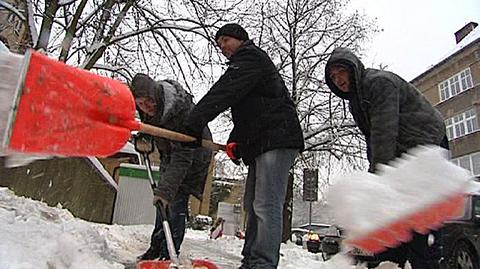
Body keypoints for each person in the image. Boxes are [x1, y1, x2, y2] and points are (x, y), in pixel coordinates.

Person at [183, 23, 304, 269]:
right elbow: (250, 111)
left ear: (240, 39)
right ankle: (251, 260)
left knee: (266, 204)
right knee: (252, 203)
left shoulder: (251, 58)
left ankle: (263, 263)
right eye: (219, 44)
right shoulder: (248, 67)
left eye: (225, 40)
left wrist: (194, 121)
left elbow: (225, 92)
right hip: (263, 141)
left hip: (277, 139)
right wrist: (235, 142)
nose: (222, 47)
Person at [325, 47, 448, 269]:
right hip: (403, 151)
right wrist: (375, 179)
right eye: (333, 77)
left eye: (340, 72)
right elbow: (373, 140)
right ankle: (392, 261)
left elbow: (384, 131)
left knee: (422, 215)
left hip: (426, 142)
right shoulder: (356, 100)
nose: (337, 80)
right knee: (394, 216)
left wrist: (376, 181)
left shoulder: (378, 83)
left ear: (353, 68)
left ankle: (425, 260)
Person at [130, 73, 213, 261]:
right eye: (141, 104)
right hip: (170, 154)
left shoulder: (181, 112)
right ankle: (156, 247)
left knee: (175, 201)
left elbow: (184, 156)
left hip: (194, 156)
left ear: (156, 96)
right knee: (162, 203)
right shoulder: (147, 110)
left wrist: (166, 191)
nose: (146, 107)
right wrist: (144, 137)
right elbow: (151, 130)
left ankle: (169, 254)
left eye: (149, 101)